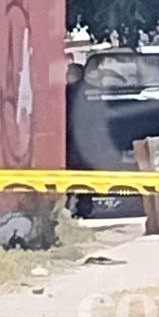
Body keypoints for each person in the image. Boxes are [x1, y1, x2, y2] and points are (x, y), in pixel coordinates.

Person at [65, 63, 93, 219]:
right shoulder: (91, 92)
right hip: (88, 143)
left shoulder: (68, 93)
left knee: (69, 176)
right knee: (86, 177)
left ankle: (68, 207)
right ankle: (84, 208)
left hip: (72, 142)